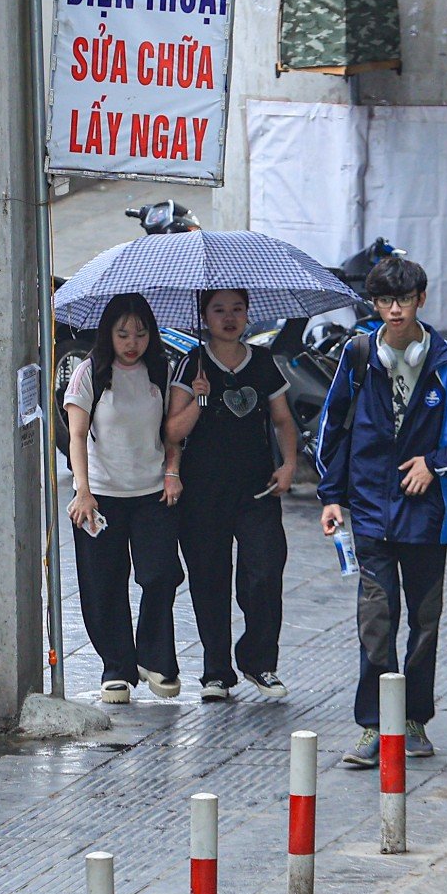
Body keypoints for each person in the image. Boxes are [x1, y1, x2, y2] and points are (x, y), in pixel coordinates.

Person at [314, 255, 447, 769]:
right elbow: (332, 428)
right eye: (384, 301)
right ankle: (375, 726)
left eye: (402, 300)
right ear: (373, 305)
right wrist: (331, 496)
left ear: (421, 300)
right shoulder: (358, 356)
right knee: (376, 621)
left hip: (427, 515)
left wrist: (436, 465)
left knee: (424, 621)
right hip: (370, 511)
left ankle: (415, 721)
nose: (394, 311)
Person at [172, 289, 298, 703]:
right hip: (202, 492)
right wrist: (200, 397)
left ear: (248, 314)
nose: (229, 318)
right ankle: (216, 673)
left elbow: (283, 420)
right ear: (204, 316)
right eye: (219, 310)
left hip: (257, 489)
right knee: (209, 579)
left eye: (237, 310)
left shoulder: (263, 362)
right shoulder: (191, 363)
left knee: (265, 571)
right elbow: (171, 432)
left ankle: (259, 662)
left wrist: (288, 464)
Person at [64, 293, 187, 704]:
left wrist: (172, 471)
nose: (132, 342)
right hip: (100, 496)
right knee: (103, 584)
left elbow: (171, 432)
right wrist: (83, 490)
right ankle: (116, 667)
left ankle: (153, 657)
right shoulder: (89, 373)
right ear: (108, 335)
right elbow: (76, 435)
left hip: (152, 492)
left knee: (162, 574)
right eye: (122, 334)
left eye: (140, 333)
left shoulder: (161, 370)